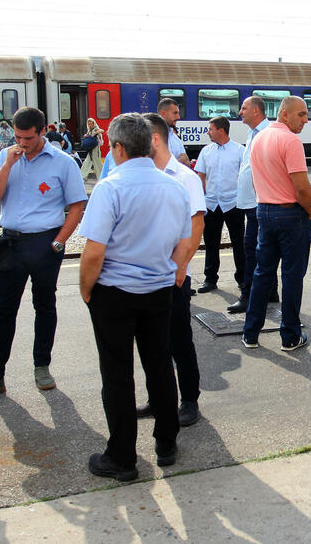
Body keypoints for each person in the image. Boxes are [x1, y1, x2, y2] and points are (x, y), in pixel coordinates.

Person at [79, 113, 193, 481]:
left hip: (114, 293)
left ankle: (122, 457)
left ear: (117, 147)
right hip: (159, 292)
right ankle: (166, 442)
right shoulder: (174, 187)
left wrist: (86, 291)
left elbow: (94, 252)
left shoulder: (110, 188)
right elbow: (183, 243)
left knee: (117, 373)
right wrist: (166, 272)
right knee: (159, 365)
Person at [0, 107, 87, 402]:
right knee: (2, 311)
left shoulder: (62, 163)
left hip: (45, 243)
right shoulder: (5, 157)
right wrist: (8, 165)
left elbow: (77, 205)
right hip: (11, 243)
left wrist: (60, 241)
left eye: (27, 138)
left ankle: (42, 366)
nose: (21, 142)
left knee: (44, 306)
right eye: (17, 136)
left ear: (41, 133)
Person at [136, 114, 206, 427]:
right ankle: (158, 396)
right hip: (145, 276)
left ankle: (190, 400)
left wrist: (179, 268)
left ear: (154, 139)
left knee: (179, 340)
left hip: (174, 275)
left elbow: (196, 225)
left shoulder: (185, 177)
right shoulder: (141, 174)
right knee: (153, 344)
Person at [241, 96, 311, 351]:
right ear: (284, 114)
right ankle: (290, 336)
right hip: (290, 215)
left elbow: (254, 180)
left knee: (263, 272)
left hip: (264, 211)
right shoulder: (291, 141)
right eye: (301, 115)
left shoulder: (258, 139)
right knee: (292, 276)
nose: (306, 120)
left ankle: (250, 333)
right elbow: (302, 188)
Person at [228, 96, 279, 314]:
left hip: (260, 202)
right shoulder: (253, 133)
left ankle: (248, 295)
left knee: (252, 248)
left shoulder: (267, 134)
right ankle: (271, 292)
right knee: (264, 249)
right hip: (252, 201)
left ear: (256, 111)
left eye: (244, 108)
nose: (240, 112)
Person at [194, 116, 246, 294]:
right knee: (211, 243)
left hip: (233, 204)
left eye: (210, 129)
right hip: (212, 204)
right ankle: (210, 279)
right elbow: (200, 175)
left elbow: (244, 177)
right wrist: (202, 199)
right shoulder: (206, 151)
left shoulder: (240, 151)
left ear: (221, 130)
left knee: (239, 243)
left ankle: (243, 278)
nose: (208, 132)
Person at [158, 98, 190, 166]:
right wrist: (179, 161)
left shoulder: (175, 138)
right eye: (175, 113)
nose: (178, 117)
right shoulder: (151, 137)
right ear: (163, 113)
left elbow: (187, 162)